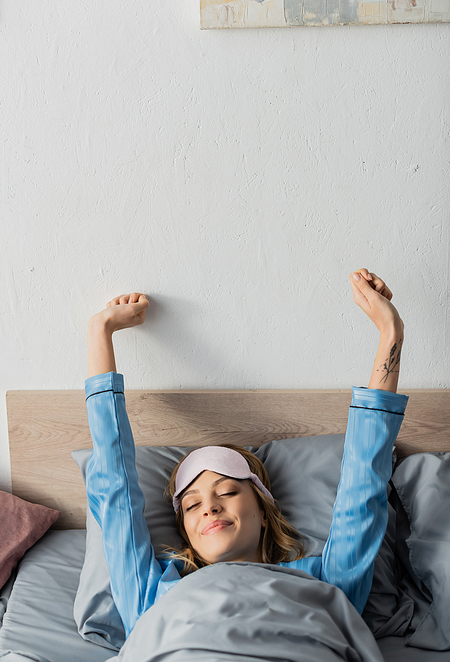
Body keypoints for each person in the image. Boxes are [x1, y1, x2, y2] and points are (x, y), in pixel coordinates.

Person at [85, 269, 408, 641]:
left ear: (265, 512)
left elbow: (362, 487)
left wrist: (390, 333)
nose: (209, 508)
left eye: (228, 492)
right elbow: (115, 493)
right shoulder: (152, 594)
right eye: (191, 506)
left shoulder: (324, 581)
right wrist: (100, 330)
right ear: (187, 535)